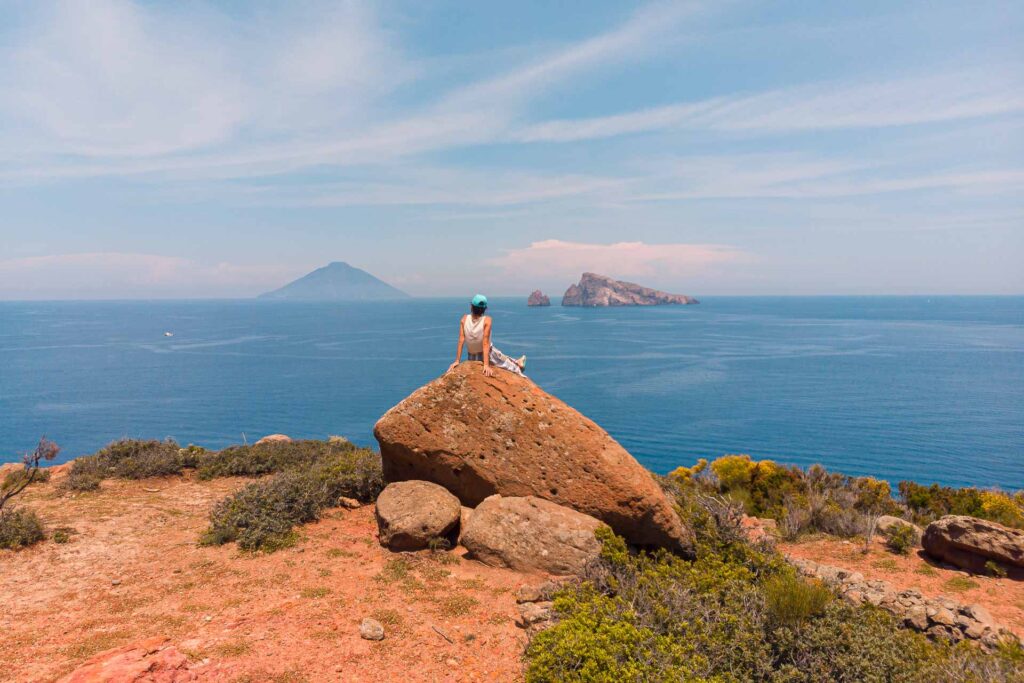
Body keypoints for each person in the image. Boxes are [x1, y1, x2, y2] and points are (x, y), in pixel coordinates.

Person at [447, 294, 526, 376]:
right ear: (485, 309)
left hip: (472, 356)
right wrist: (486, 364)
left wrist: (457, 360)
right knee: (511, 367)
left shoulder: (464, 318)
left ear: (471, 306)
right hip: (489, 354)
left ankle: (518, 362)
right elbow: (485, 343)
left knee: (501, 356)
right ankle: (518, 365)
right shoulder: (487, 320)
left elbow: (461, 340)